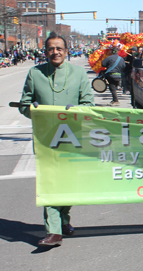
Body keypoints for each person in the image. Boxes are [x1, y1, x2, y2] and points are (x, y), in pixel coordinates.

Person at [18, 32, 95, 247]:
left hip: (72, 137)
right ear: (45, 52)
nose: (55, 52)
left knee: (69, 183)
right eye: (51, 48)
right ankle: (53, 231)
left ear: (66, 51)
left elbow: (89, 103)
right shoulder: (35, 73)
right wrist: (30, 109)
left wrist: (77, 110)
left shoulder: (79, 73)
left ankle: (63, 220)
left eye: (59, 48)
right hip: (45, 139)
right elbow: (24, 104)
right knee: (50, 182)